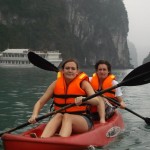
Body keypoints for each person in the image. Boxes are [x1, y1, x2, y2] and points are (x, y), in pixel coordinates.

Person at [28, 59, 106, 138]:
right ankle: (43, 139)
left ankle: (61, 140)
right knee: (58, 115)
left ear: (77, 72)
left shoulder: (84, 84)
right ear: (63, 71)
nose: (70, 70)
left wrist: (84, 99)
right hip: (61, 119)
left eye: (73, 69)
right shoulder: (55, 84)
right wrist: (34, 115)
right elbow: (40, 102)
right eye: (67, 68)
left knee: (67, 116)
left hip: (82, 120)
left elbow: (96, 101)